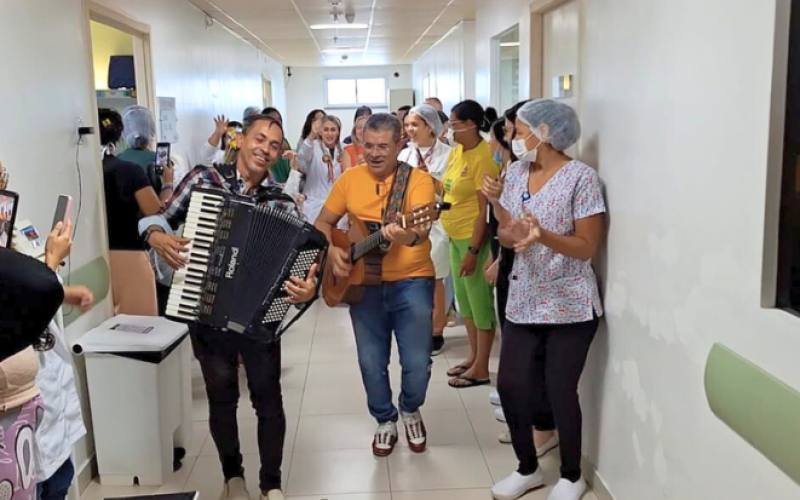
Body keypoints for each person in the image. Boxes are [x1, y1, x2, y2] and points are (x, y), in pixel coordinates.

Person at [139, 115, 319, 500]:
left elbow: (303, 262)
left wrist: (308, 289)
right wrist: (155, 235)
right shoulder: (204, 179)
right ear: (241, 140)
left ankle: (271, 484)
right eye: (259, 138)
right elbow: (158, 217)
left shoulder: (281, 202)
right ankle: (232, 477)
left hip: (259, 319)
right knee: (221, 398)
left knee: (268, 400)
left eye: (274, 144)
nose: (265, 149)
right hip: (206, 311)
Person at [485, 99, 605, 500]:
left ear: (546, 133)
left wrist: (543, 236)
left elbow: (586, 246)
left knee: (559, 389)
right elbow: (505, 231)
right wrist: (507, 224)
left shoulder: (581, 179)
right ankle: (527, 468)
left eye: (520, 131)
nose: (513, 138)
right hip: (523, 298)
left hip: (569, 303)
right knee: (511, 385)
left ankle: (572, 475)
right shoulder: (516, 172)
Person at [315, 113, 436, 457]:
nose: (375, 153)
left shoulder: (418, 182)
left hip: (411, 280)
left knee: (416, 361)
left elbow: (420, 231)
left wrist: (406, 233)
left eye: (383, 146)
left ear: (400, 145)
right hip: (363, 285)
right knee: (371, 361)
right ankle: (384, 418)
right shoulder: (350, 179)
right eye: (368, 145)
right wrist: (333, 249)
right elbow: (323, 223)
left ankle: (410, 408)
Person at [0, 223, 71, 500]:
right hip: (10, 420)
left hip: (30, 416)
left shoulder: (12, 225)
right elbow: (36, 286)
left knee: (55, 483)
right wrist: (51, 262)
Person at [441, 100, 498, 389]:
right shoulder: (457, 153)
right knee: (465, 303)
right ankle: (474, 357)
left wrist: (475, 251)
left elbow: (485, 212)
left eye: (454, 123)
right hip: (453, 237)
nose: (450, 129)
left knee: (480, 304)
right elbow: (448, 189)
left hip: (473, 240)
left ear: (471, 124)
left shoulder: (484, 156)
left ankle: (482, 368)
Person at [98, 108, 164, 315]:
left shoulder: (86, 171)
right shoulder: (128, 170)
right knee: (141, 329)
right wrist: (169, 183)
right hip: (130, 255)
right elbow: (155, 212)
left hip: (94, 258)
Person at [398, 104, 452, 356]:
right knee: (411, 279)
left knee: (435, 278)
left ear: (430, 127)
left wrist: (430, 180)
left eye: (414, 124)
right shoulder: (404, 156)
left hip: (439, 224)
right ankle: (415, 329)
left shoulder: (449, 155)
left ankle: (436, 331)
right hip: (410, 223)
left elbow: (452, 191)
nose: (409, 129)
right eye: (407, 124)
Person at [297, 115, 351, 224]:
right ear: (320, 132)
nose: (329, 134)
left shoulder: (345, 149)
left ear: (338, 132)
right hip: (314, 205)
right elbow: (302, 155)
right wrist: (312, 134)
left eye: (333, 130)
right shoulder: (313, 146)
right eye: (325, 130)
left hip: (338, 206)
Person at [118, 105, 175, 203]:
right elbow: (166, 204)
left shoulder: (117, 160)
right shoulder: (160, 162)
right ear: (152, 130)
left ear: (124, 132)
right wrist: (168, 183)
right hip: (152, 213)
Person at [262, 107, 293, 183]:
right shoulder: (262, 144)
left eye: (279, 120)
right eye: (273, 120)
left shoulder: (284, 142)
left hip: (287, 187)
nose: (278, 123)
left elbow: (291, 167)